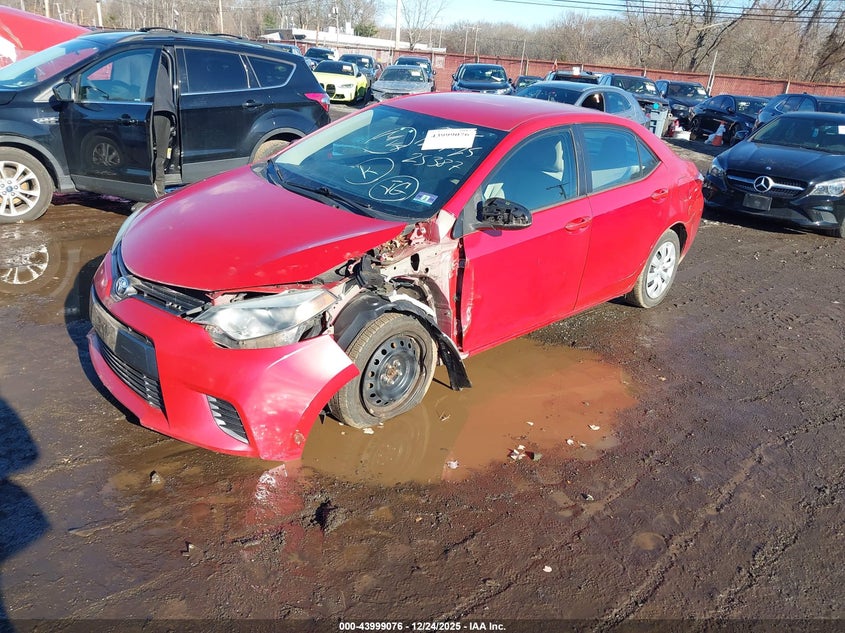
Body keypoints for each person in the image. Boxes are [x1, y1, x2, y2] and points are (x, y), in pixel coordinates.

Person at [153, 56, 176, 196]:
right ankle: (159, 189)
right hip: (166, 110)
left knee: (155, 154)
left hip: (156, 109)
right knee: (160, 154)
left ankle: (158, 191)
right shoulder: (160, 60)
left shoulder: (143, 57)